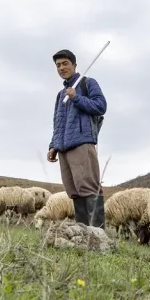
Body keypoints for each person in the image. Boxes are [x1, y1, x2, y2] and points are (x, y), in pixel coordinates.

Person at [47, 48, 107, 228]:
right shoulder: (60, 94)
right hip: (64, 148)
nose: (61, 68)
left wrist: (77, 98)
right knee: (74, 191)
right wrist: (53, 145)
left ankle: (98, 234)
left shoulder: (87, 83)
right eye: (58, 65)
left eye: (65, 63)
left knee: (88, 187)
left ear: (74, 65)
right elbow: (58, 122)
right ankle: (83, 233)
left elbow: (100, 106)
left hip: (82, 142)